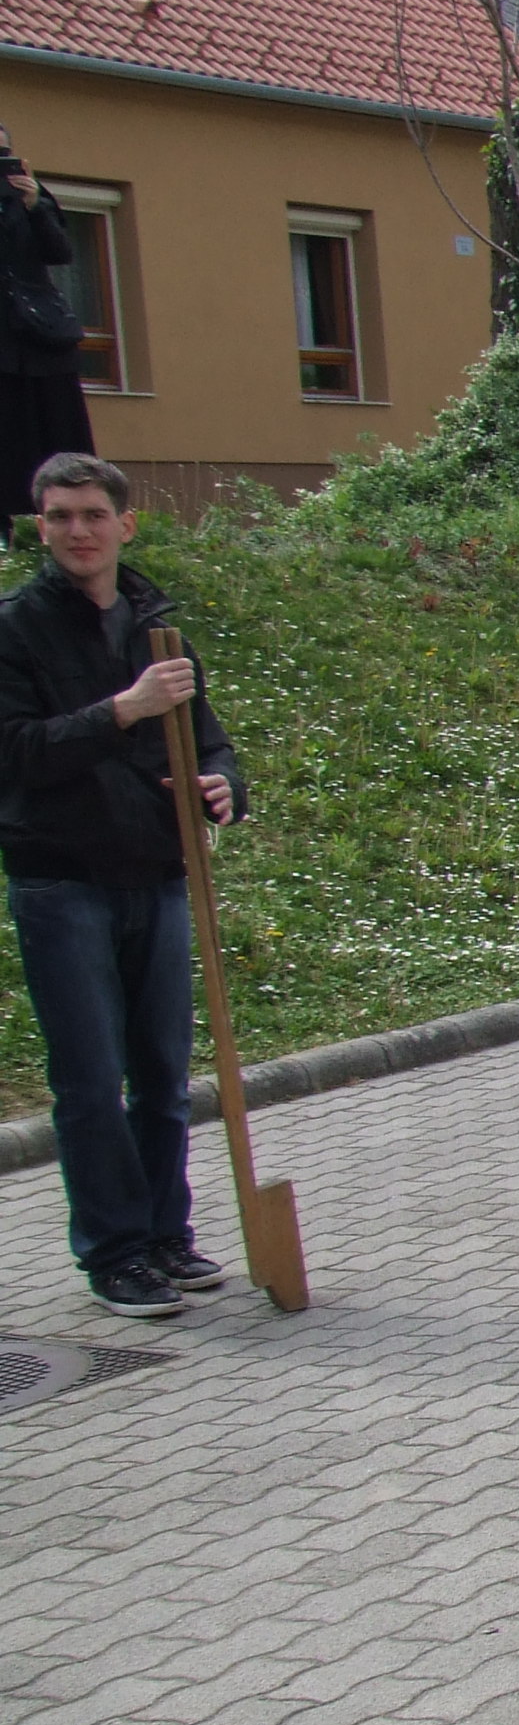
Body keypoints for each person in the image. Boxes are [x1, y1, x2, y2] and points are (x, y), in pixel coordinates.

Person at [0, 454, 243, 1318]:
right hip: (62, 881)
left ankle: (165, 1235)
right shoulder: (15, 630)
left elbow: (210, 742)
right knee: (91, 1080)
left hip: (159, 874)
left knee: (163, 1074)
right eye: (61, 516)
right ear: (40, 526)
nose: (78, 531)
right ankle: (114, 1253)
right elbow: (16, 753)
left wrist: (223, 787)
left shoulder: (157, 630)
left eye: (93, 515)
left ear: (125, 525)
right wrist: (122, 710)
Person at [0, 131, 98, 544]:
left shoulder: (32, 198)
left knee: (58, 433)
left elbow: (60, 252)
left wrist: (35, 204)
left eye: (3, 151)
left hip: (42, 335)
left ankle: (70, 522)